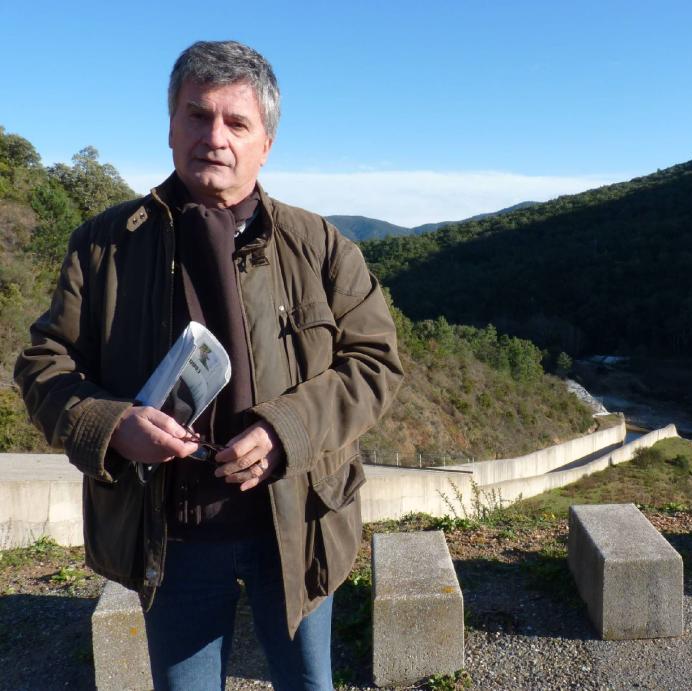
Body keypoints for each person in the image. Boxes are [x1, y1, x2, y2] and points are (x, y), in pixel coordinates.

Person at [15, 40, 403, 690]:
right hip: (170, 534)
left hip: (297, 522)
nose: (214, 136)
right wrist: (112, 425)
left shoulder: (322, 245)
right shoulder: (104, 245)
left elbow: (375, 364)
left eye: (236, 122)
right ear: (170, 126)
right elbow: (42, 366)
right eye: (197, 115)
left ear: (265, 144)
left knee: (308, 683)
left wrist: (287, 431)